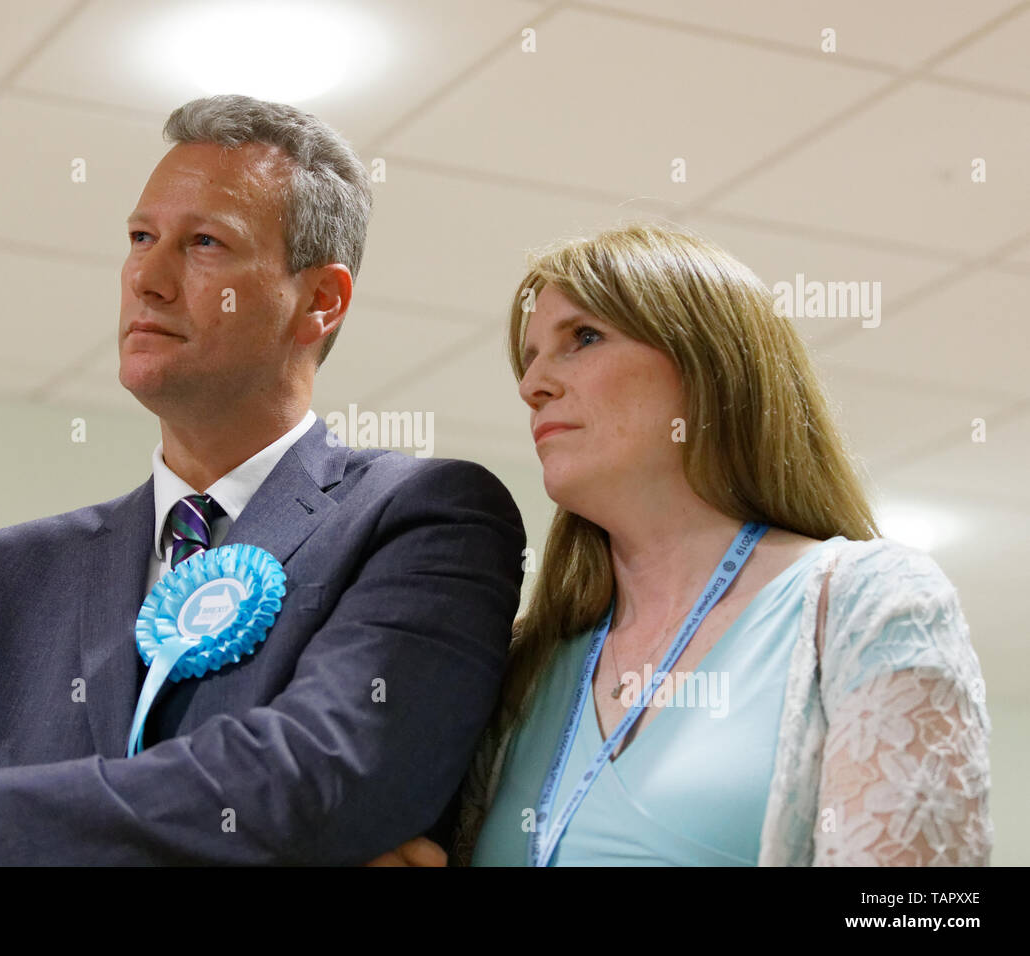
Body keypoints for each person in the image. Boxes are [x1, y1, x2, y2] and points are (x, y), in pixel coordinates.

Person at [0, 94, 525, 866]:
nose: (147, 278)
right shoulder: (3, 579)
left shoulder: (422, 517)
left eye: (206, 243)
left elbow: (315, 782)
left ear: (320, 300)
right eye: (141, 237)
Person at [388, 221, 992, 866]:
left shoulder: (868, 604)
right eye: (529, 357)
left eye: (583, 338)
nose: (531, 384)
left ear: (710, 367)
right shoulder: (526, 665)